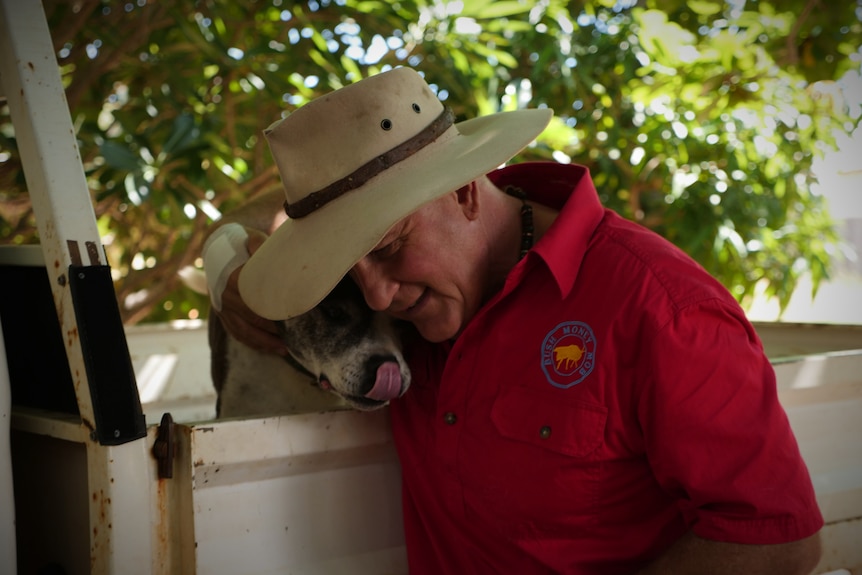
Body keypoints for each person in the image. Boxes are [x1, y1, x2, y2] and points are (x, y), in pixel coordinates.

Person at [203, 67, 824, 574]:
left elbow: (772, 543)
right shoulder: (411, 310)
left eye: (390, 247)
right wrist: (226, 271)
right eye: (349, 269)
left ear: (467, 192)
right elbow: (254, 228)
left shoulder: (660, 308)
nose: (379, 297)